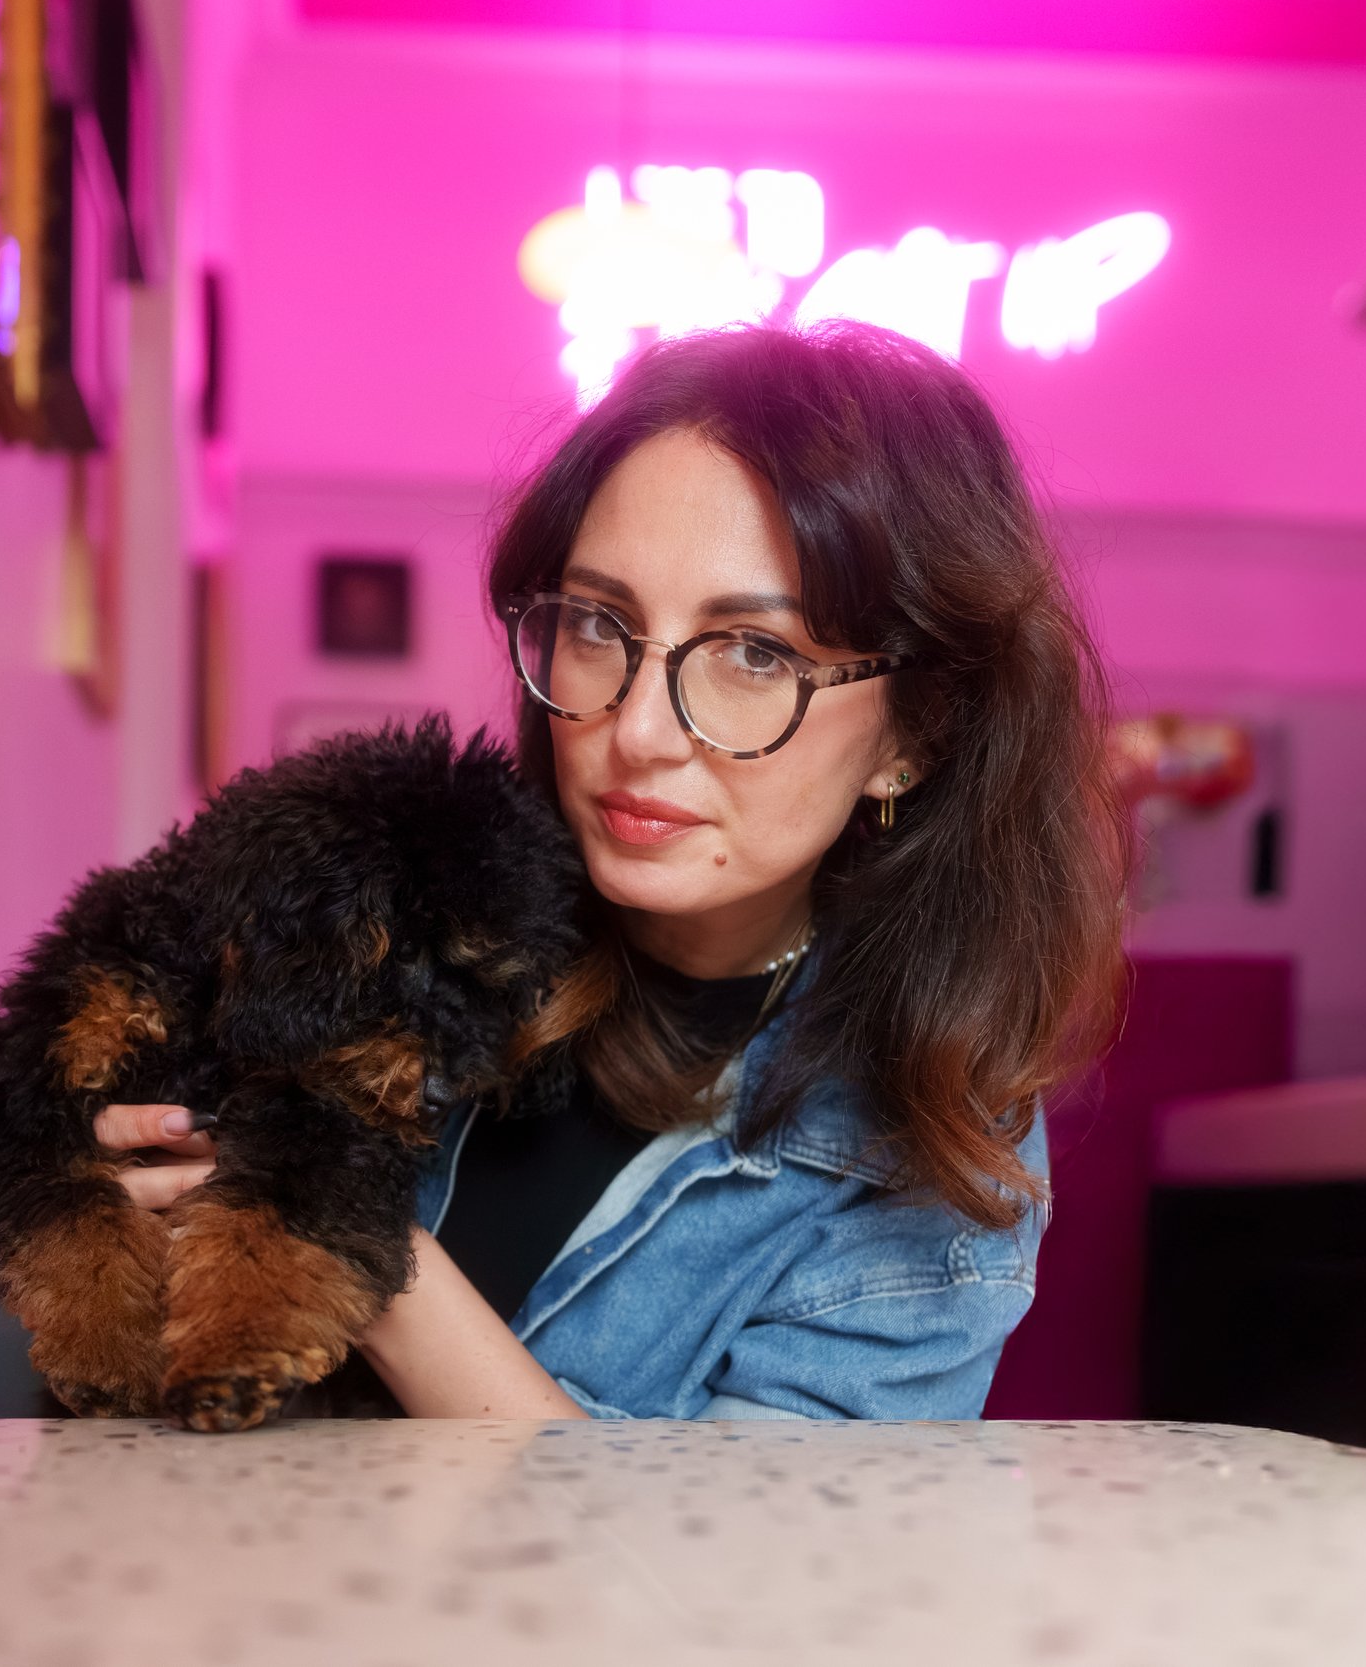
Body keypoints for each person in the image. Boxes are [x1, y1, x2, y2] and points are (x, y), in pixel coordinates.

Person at [94, 324, 1125, 1420]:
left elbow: (733, 1577)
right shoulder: (401, 914)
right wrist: (120, 1203)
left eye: (754, 653)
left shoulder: (928, 1149)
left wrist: (345, 1240)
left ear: (916, 729)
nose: (635, 730)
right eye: (599, 622)